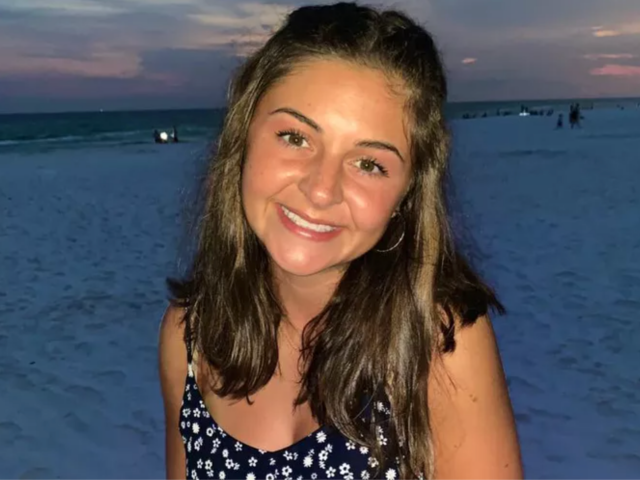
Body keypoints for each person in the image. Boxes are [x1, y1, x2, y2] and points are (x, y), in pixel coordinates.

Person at [159, 3, 523, 479]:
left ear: (406, 194)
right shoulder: (191, 336)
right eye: (295, 137)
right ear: (243, 135)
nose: (321, 189)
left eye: (369, 164)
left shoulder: (435, 346)